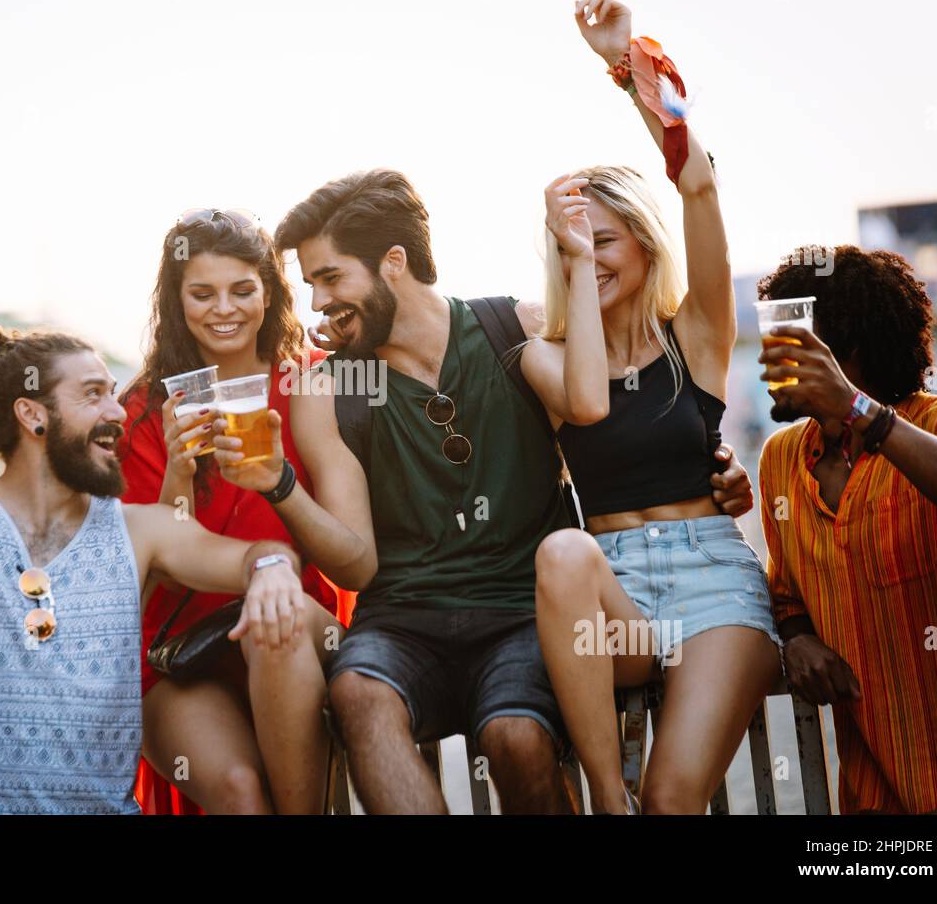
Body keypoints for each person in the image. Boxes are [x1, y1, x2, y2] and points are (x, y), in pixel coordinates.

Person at [0, 179, 313, 814]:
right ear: (33, 416)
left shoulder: (136, 531)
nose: (121, 414)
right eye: (94, 394)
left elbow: (257, 553)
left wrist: (269, 570)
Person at [277, 161, 760, 812]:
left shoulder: (513, 328)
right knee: (358, 694)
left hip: (519, 616)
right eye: (311, 284)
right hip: (400, 621)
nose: (317, 303)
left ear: (393, 263)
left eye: (330, 277)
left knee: (517, 738)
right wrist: (276, 484)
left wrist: (714, 460)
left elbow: (592, 404)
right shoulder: (328, 388)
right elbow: (358, 564)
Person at [529, 0, 782, 814]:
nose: (589, 258)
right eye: (573, 245)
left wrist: (624, 62)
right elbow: (591, 408)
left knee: (674, 800)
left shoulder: (697, 336)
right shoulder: (548, 357)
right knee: (563, 553)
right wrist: (571, 259)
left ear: (641, 239)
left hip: (712, 577)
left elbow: (700, 187)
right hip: (616, 594)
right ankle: (607, 797)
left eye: (603, 241)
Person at [119, 208, 373, 814]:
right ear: (176, 300)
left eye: (242, 290)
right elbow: (146, 569)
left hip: (299, 619)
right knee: (236, 789)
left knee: (273, 620)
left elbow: (353, 563)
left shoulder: (310, 381)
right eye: (201, 293)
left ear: (269, 293)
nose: (223, 309)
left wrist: (279, 484)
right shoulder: (144, 410)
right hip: (182, 646)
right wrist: (180, 471)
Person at [756, 244, 937, 814]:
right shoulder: (782, 458)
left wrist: (859, 410)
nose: (772, 360)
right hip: (871, 797)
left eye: (793, 342)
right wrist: (796, 636)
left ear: (847, 351)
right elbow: (786, 594)